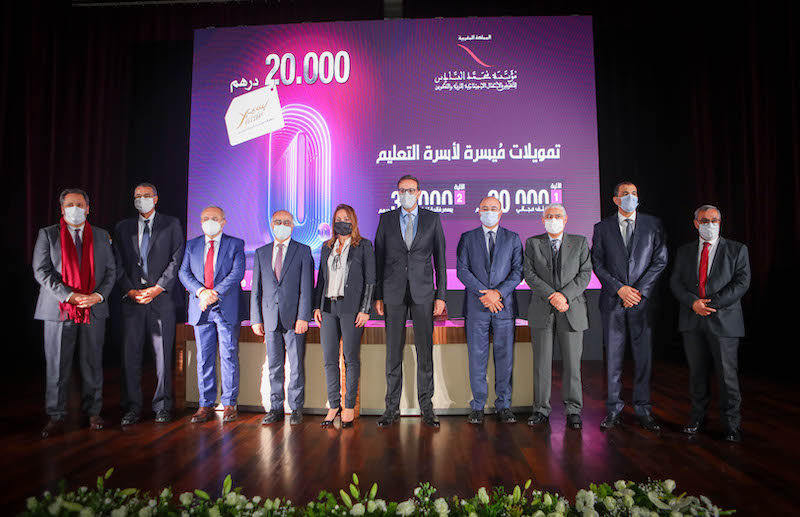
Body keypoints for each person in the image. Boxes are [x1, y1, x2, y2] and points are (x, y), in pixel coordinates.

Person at [33, 189, 116, 438]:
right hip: (58, 308)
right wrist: (69, 296)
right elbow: (41, 270)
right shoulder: (48, 234)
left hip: (93, 307)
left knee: (92, 363)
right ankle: (56, 415)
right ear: (62, 209)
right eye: (69, 204)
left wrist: (97, 296)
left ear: (88, 208)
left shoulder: (101, 235)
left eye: (79, 204)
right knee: (57, 365)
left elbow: (111, 271)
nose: (75, 208)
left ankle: (93, 412)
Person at [591, 181, 667, 431]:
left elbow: (660, 260)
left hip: (642, 303)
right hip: (613, 301)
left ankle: (643, 409)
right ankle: (613, 410)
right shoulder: (602, 228)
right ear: (616, 200)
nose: (630, 197)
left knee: (643, 358)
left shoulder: (653, 224)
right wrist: (620, 289)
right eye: (625, 194)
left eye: (634, 193)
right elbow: (597, 263)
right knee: (613, 358)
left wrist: (637, 291)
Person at [669, 205, 750, 442]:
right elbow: (675, 283)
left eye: (714, 220)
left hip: (724, 321)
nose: (710, 224)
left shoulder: (737, 249)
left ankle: (731, 425)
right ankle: (697, 418)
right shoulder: (684, 251)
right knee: (697, 374)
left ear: (720, 222)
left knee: (727, 376)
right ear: (696, 223)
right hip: (692, 320)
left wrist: (709, 304)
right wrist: (693, 303)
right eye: (704, 220)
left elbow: (742, 283)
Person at [374, 175, 447, 428]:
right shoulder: (386, 219)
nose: (407, 194)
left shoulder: (432, 219)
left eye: (411, 190)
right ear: (398, 193)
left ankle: (427, 407)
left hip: (424, 293)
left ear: (419, 193)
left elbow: (440, 261)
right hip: (392, 292)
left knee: (424, 352)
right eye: (402, 190)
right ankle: (391, 408)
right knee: (393, 352)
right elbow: (379, 259)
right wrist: (378, 295)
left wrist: (441, 296)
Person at [113, 182, 185, 425]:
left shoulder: (171, 224)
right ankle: (132, 407)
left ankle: (162, 405)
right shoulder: (123, 227)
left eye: (146, 195)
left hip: (161, 299)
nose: (141, 199)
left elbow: (176, 259)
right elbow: (117, 263)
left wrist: (157, 288)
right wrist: (130, 290)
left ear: (155, 199)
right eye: (137, 196)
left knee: (163, 356)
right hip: (132, 299)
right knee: (130, 356)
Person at [523, 203, 592, 429]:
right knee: (541, 363)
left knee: (572, 364)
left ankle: (573, 410)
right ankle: (540, 409)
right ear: (543, 220)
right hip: (542, 308)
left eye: (557, 215)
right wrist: (552, 296)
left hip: (571, 309)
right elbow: (529, 274)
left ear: (566, 219)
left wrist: (564, 296)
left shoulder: (580, 242)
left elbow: (585, 274)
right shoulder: (533, 243)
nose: (553, 219)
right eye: (549, 216)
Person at [456, 196, 523, 424]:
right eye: (485, 208)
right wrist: (484, 294)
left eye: (494, 208)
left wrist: (498, 293)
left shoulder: (513, 238)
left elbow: (518, 271)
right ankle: (477, 406)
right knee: (477, 358)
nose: (489, 212)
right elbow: (462, 271)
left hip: (504, 307)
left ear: (501, 212)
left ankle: (503, 405)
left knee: (505, 359)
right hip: (477, 307)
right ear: (479, 211)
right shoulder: (467, 238)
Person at [178, 206, 246, 424]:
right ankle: (205, 404)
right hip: (201, 308)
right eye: (205, 218)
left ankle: (229, 403)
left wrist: (214, 293)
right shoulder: (192, 245)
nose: (209, 222)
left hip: (226, 306)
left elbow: (237, 273)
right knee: (204, 357)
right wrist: (201, 292)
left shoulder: (235, 244)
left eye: (214, 218)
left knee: (228, 355)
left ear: (223, 222)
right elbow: (183, 272)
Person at [313, 204, 376, 428]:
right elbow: (321, 280)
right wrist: (316, 306)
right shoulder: (326, 247)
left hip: (352, 309)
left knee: (350, 358)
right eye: (338, 219)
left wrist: (365, 309)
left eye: (346, 218)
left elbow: (370, 279)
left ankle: (348, 406)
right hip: (328, 309)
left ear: (353, 221)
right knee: (329, 359)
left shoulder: (364, 246)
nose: (342, 222)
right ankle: (333, 405)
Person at [251, 210, 314, 425]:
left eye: (286, 222)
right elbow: (256, 289)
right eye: (278, 222)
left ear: (293, 226)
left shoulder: (303, 251)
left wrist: (303, 316)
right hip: (269, 318)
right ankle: (276, 408)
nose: (282, 225)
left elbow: (307, 287)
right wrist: (256, 318)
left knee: (295, 366)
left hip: (294, 319)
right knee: (274, 367)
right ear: (271, 225)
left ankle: (295, 408)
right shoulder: (261, 252)